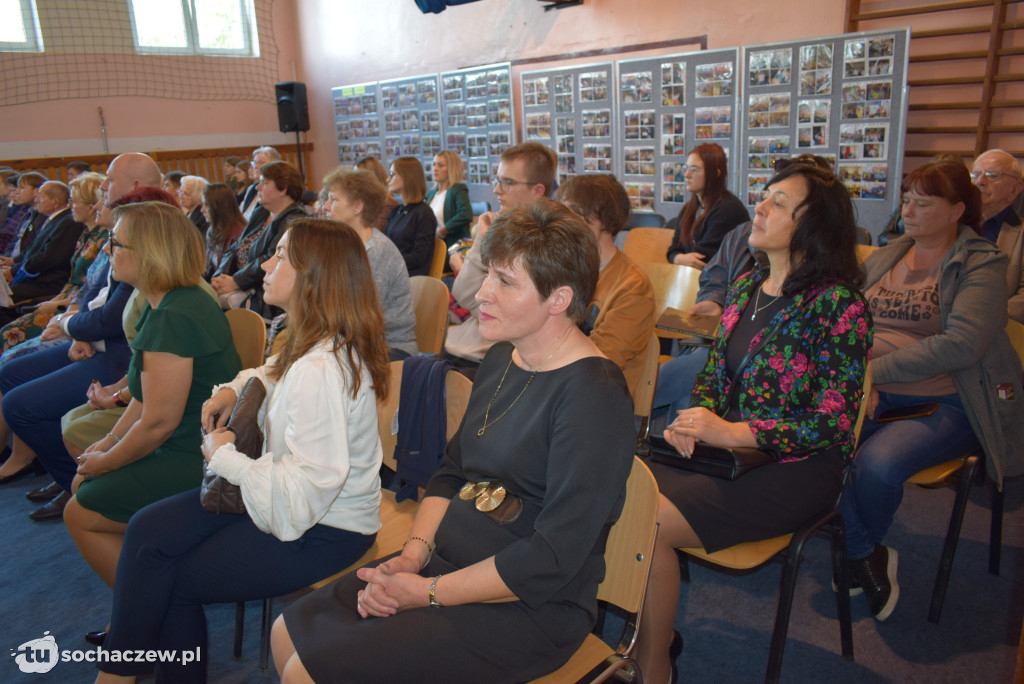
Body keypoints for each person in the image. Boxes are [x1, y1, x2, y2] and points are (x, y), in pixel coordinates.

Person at [270, 199, 637, 683]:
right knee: (285, 633)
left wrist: (426, 592)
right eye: (489, 274)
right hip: (443, 567)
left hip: (527, 608)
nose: (481, 293)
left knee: (307, 672)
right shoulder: (505, 358)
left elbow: (551, 558)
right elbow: (451, 473)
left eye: (505, 282)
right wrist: (412, 556)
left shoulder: (596, 398)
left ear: (560, 299)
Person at [94, 218, 391, 683]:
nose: (266, 265)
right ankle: (121, 668)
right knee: (147, 529)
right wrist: (237, 387)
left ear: (313, 277)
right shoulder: (310, 337)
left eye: (281, 257)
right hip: (285, 497)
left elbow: (303, 497)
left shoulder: (320, 369)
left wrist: (224, 456)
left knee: (169, 579)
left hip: (325, 527)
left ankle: (117, 674)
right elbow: (271, 371)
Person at [636, 163, 871, 684]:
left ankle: (653, 666)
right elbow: (714, 381)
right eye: (764, 196)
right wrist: (693, 421)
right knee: (617, 494)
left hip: (799, 466)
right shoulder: (746, 287)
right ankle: (652, 634)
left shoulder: (839, 304)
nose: (759, 208)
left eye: (779, 202)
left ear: (813, 224)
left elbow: (832, 422)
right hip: (730, 450)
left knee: (643, 525)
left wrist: (732, 432)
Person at [839, 161, 1024, 622]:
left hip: (948, 400)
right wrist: (862, 381)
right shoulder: (887, 254)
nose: (910, 211)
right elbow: (845, 320)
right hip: (872, 389)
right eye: (907, 201)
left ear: (958, 209)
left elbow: (961, 345)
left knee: (875, 467)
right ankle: (864, 550)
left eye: (924, 203)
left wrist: (872, 375)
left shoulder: (981, 261)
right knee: (809, 444)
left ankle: (858, 544)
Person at [61, 201, 241, 588]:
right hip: (188, 442)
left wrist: (108, 461)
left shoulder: (174, 314)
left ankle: (146, 606)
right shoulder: (170, 300)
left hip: (199, 454)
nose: (108, 250)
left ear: (149, 253)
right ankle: (150, 571)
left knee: (79, 511)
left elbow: (158, 423)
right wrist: (108, 443)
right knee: (83, 486)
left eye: (116, 242)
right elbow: (144, 397)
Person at [444, 142, 557, 374]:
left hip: (499, 361)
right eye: (497, 181)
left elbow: (513, 322)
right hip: (469, 348)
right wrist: (482, 241)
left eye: (507, 183)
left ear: (537, 191)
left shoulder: (550, 242)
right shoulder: (502, 225)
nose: (497, 190)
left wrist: (484, 310)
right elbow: (464, 294)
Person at [557, 173, 656, 396]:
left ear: (602, 218)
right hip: (562, 383)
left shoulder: (633, 286)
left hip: (599, 396)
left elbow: (600, 361)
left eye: (574, 212)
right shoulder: (563, 268)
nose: (563, 221)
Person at [0, 172, 107, 352]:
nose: (69, 206)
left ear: (91, 206)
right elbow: (73, 281)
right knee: (6, 334)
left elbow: (94, 289)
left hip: (75, 309)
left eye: (73, 201)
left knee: (8, 339)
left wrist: (58, 305)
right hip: (65, 301)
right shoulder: (86, 235)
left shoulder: (101, 239)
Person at [322, 168, 419, 358]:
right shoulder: (347, 246)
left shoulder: (376, 251)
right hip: (355, 343)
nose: (325, 206)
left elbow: (361, 320)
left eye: (334, 199)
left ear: (357, 207)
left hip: (389, 348)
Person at [211, 160, 305, 316]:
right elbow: (237, 246)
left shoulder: (295, 219)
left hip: (265, 294)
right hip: (242, 286)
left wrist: (236, 282)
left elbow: (271, 258)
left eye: (264, 183)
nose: (257, 187)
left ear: (283, 189)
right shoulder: (261, 212)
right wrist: (220, 276)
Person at [666, 142, 750, 270]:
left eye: (694, 169)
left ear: (715, 173)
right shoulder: (690, 208)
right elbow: (673, 250)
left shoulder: (728, 210)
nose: (686, 174)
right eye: (686, 168)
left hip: (719, 284)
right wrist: (679, 258)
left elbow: (702, 259)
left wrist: (679, 258)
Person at [970, 149, 1023, 322]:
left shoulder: (1020, 234)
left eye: (992, 175)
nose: (980, 181)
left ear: (1016, 188)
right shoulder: (951, 226)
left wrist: (982, 321)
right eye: (975, 174)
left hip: (996, 328)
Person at [384, 157, 437, 277]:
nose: (388, 179)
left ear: (407, 177)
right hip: (394, 273)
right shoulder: (396, 211)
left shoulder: (423, 214)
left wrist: (389, 262)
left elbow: (419, 257)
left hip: (411, 278)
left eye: (392, 174)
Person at [425, 151, 473, 250]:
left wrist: (442, 231)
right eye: (434, 164)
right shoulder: (431, 194)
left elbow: (465, 214)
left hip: (452, 246)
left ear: (451, 169)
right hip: (432, 246)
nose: (435, 168)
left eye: (440, 165)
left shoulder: (458, 189)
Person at [200, 182, 246, 280]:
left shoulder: (239, 235)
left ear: (219, 207)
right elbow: (208, 270)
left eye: (206, 205)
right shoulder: (212, 230)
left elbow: (239, 276)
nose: (202, 210)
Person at [355, 156, 395, 230]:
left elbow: (377, 230)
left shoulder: (388, 202)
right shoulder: (362, 199)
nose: (355, 180)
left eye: (358, 176)